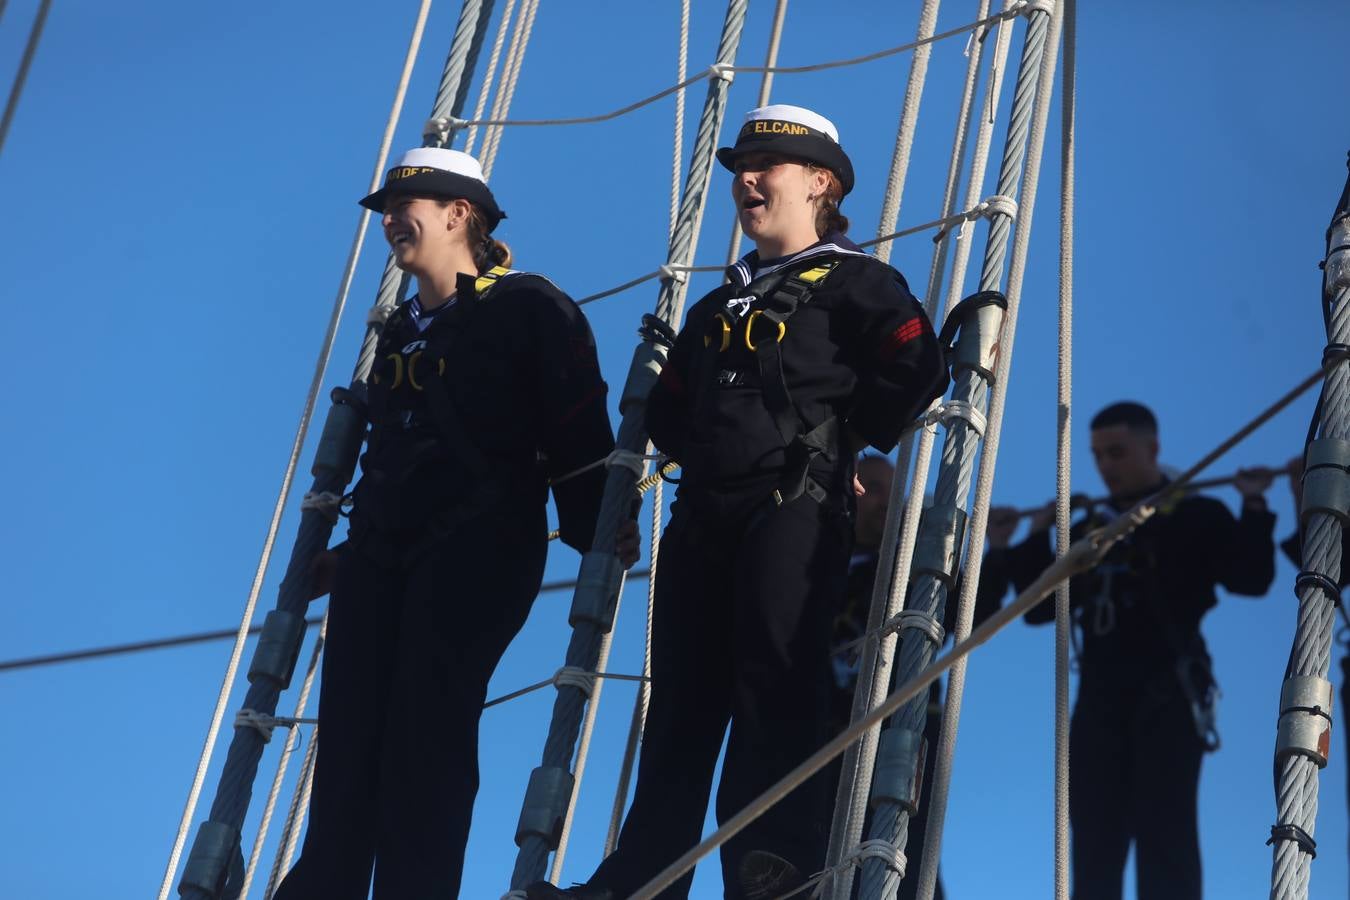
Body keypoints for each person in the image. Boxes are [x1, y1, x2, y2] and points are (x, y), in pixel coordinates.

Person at [528, 104, 947, 900]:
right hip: (704, 517)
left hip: (793, 508)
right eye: (740, 167)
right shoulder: (716, 308)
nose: (746, 180)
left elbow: (916, 364)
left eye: (767, 165)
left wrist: (848, 440)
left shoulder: (859, 282)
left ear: (820, 182)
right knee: (679, 705)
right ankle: (643, 879)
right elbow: (671, 412)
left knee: (774, 686)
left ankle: (772, 868)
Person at [273, 147, 634, 900]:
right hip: (379, 558)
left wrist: (597, 534)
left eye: (408, 208)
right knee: (347, 745)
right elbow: (397, 453)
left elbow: (575, 432)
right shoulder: (401, 330)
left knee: (424, 741)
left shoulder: (531, 307)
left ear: (459, 214)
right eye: (387, 212)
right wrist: (350, 552)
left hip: (478, 550)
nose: (392, 224)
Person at [980, 402, 1276, 900]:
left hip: (1168, 692)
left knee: (1166, 835)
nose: (1106, 467)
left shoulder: (1196, 511)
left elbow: (1251, 577)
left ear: (1152, 449)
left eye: (1117, 452)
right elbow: (1037, 609)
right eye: (1098, 456)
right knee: (1096, 842)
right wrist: (1030, 536)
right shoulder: (1092, 526)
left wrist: (1254, 506)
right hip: (1101, 700)